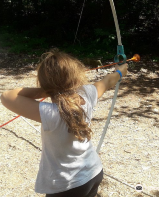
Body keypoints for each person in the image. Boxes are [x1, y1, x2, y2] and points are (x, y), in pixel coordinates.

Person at [1, 49, 128, 197]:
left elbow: (6, 96)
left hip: (67, 186)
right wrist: (120, 72)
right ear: (77, 77)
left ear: (45, 84)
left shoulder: (50, 113)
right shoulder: (88, 93)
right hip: (93, 173)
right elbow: (107, 81)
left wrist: (46, 91)